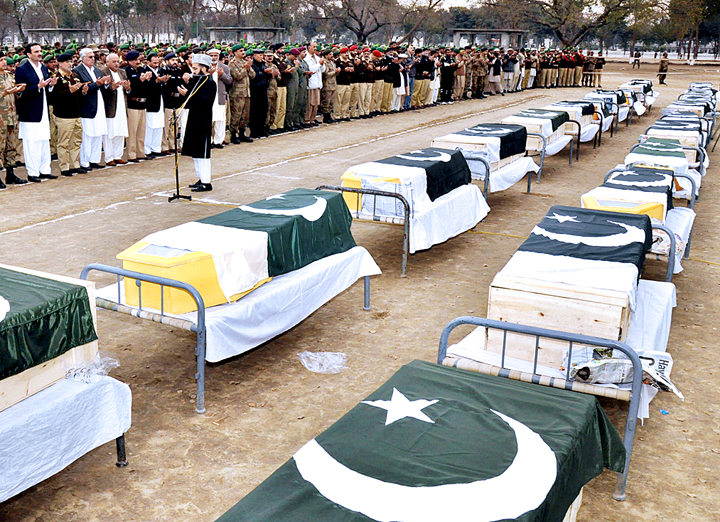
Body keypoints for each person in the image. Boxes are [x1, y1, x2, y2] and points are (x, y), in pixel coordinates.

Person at [15, 42, 57, 183]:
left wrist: (50, 85)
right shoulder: (22, 69)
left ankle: (45, 170)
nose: (40, 53)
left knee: (44, 140)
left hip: (43, 109)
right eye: (36, 51)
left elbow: (46, 88)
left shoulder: (44, 68)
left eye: (40, 51)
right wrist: (37, 87)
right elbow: (20, 91)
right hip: (29, 111)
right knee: (31, 142)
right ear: (28, 54)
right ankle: (32, 172)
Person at [180, 53, 216, 192]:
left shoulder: (210, 83)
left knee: (203, 152)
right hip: (194, 118)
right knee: (195, 151)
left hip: (203, 120)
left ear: (204, 68)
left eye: (195, 69)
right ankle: (201, 177)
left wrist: (187, 95)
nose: (193, 72)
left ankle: (206, 182)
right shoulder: (198, 80)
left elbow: (205, 103)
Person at [74, 47, 111, 170]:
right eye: (90, 57)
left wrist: (106, 84)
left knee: (98, 133)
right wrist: (97, 84)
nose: (93, 59)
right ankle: (84, 161)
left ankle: (94, 159)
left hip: (99, 104)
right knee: (87, 135)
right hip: (87, 106)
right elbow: (83, 89)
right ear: (83, 58)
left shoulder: (97, 70)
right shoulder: (77, 71)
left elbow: (102, 87)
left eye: (94, 57)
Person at [51, 53, 85, 176]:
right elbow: (54, 96)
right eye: (67, 62)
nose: (70, 64)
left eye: (71, 62)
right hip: (63, 114)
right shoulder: (56, 77)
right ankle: (64, 166)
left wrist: (83, 91)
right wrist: (69, 91)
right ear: (60, 63)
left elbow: (78, 93)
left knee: (76, 141)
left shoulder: (74, 75)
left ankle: (75, 164)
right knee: (63, 142)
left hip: (76, 113)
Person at [100, 52, 130, 166]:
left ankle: (118, 155)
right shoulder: (104, 72)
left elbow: (128, 89)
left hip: (122, 106)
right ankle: (109, 157)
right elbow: (103, 90)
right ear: (107, 62)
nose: (117, 64)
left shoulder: (122, 72)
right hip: (110, 107)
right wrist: (111, 87)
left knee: (120, 131)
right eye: (114, 61)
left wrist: (127, 88)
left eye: (118, 61)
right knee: (109, 133)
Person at [0, 56, 25, 186]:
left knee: (11, 146)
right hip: (0, 118)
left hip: (11, 116)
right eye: (0, 60)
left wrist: (18, 91)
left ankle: (10, 174)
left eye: (4, 59)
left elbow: (14, 93)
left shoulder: (9, 76)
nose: (4, 62)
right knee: (0, 147)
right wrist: (4, 93)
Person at [123, 50, 152, 162]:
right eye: (135, 60)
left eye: (139, 59)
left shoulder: (142, 70)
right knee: (132, 131)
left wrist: (148, 79)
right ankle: (131, 154)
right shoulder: (127, 71)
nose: (138, 62)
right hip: (133, 103)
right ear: (129, 61)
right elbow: (131, 87)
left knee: (141, 130)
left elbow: (147, 87)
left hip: (143, 103)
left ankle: (141, 152)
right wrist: (141, 80)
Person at [144, 52, 170, 157]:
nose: (156, 64)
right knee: (150, 127)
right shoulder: (145, 71)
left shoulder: (159, 71)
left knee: (159, 126)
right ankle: (147, 149)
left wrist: (163, 81)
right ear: (148, 62)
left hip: (160, 101)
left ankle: (156, 148)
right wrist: (157, 81)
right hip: (151, 103)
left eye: (157, 62)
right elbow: (147, 87)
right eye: (154, 62)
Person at [228, 45, 255, 143]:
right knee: (236, 115)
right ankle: (233, 134)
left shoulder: (245, 62)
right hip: (237, 93)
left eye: (243, 51)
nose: (243, 52)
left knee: (245, 115)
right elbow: (237, 76)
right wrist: (245, 69)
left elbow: (253, 75)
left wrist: (248, 67)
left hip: (246, 93)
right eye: (241, 51)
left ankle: (242, 133)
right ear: (235, 53)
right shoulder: (232, 64)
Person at [249, 49, 271, 138]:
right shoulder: (252, 65)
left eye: (262, 55)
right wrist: (264, 73)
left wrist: (268, 73)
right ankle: (254, 131)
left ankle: (261, 129)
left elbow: (268, 76)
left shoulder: (263, 64)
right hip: (255, 89)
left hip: (263, 88)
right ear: (254, 55)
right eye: (259, 55)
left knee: (264, 109)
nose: (261, 57)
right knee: (255, 111)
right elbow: (254, 76)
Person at [304, 43, 325, 125]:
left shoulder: (317, 57)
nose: (315, 48)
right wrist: (319, 64)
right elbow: (310, 69)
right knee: (310, 103)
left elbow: (322, 70)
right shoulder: (306, 58)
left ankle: (313, 118)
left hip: (318, 83)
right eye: (314, 47)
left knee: (316, 103)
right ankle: (307, 119)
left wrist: (321, 64)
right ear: (309, 48)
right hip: (311, 83)